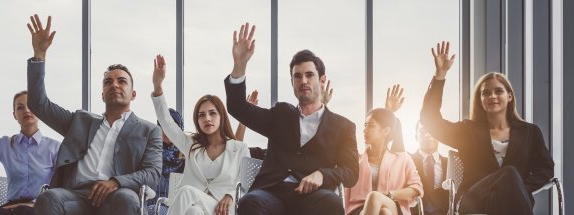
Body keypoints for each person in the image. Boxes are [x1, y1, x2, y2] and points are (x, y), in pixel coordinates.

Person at [26, 15, 163, 215]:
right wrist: (39, 55)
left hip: (117, 197)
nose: (114, 84)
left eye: (122, 81)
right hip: (76, 196)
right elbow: (38, 104)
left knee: (127, 198)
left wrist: (116, 182)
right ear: (102, 94)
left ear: (133, 94)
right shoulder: (80, 121)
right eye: (108, 82)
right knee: (49, 197)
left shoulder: (149, 130)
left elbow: (152, 174)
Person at [226, 23, 359, 215]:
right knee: (250, 203)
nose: (303, 81)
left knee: (331, 204)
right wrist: (240, 65)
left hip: (314, 196)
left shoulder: (343, 127)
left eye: (309, 75)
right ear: (292, 83)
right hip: (271, 194)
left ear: (322, 81)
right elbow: (238, 107)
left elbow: (351, 172)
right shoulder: (280, 114)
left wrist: (323, 174)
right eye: (297, 76)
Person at [420, 41, 554, 214]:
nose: (492, 96)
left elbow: (545, 168)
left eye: (498, 91)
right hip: (475, 200)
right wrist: (440, 75)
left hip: (512, 201)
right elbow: (429, 119)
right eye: (486, 93)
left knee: (510, 179)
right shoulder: (467, 131)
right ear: (480, 100)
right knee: (510, 174)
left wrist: (520, 187)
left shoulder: (530, 132)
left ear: (510, 96)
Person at [152, 55, 250, 215]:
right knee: (193, 212)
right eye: (201, 115)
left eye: (212, 113)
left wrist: (230, 196)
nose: (207, 119)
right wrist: (158, 85)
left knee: (185, 192)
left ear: (221, 116)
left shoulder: (239, 148)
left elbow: (246, 186)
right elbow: (167, 123)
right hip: (193, 207)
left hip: (222, 209)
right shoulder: (191, 144)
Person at [345, 85, 423, 215]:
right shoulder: (355, 160)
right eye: (364, 125)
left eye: (370, 126)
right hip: (359, 210)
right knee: (384, 213)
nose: (365, 130)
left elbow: (416, 188)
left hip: (393, 205)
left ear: (386, 131)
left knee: (376, 198)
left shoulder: (403, 159)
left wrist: (388, 195)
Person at [145, 108, 186, 214]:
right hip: (150, 206)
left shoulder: (187, 156)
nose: (166, 131)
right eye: (163, 126)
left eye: (171, 126)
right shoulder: (149, 152)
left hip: (176, 207)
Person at [410, 122, 448, 215]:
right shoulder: (407, 160)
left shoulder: (450, 163)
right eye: (423, 131)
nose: (428, 135)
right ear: (416, 137)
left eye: (432, 131)